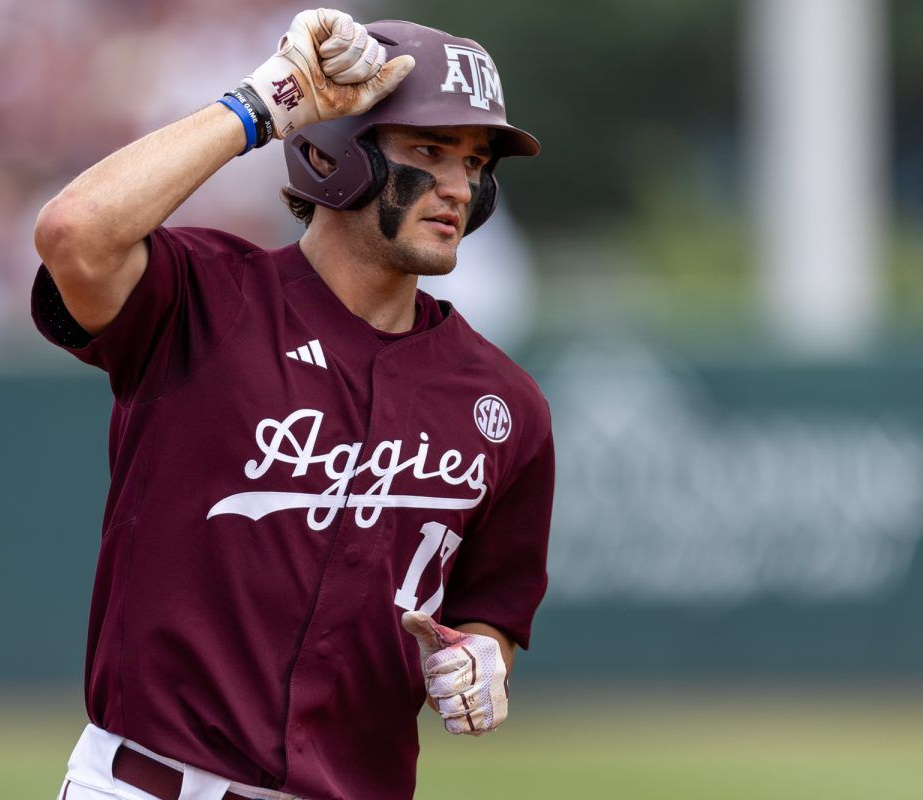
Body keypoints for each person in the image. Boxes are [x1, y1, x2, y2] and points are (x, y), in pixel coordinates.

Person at [32, 9, 555, 800]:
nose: (460, 185)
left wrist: (481, 658)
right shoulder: (205, 300)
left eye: (477, 162)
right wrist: (260, 105)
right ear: (332, 154)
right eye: (428, 150)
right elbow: (74, 233)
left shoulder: (505, 404)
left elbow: (491, 609)